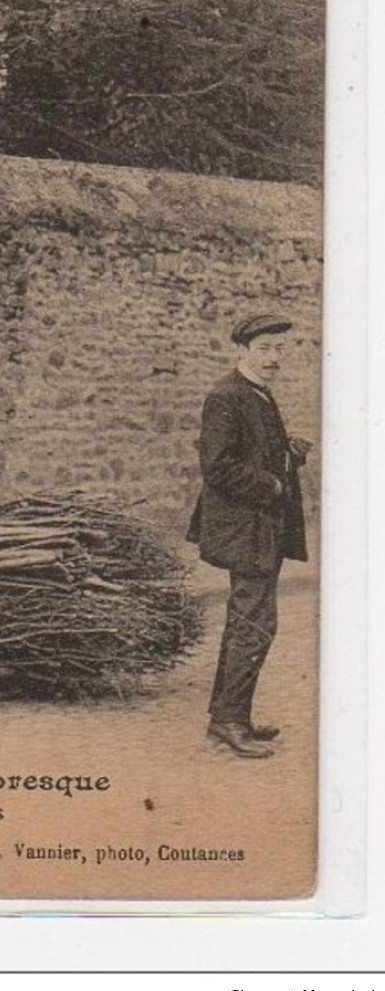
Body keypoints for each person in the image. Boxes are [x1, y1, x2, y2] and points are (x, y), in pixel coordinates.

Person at [186, 313, 310, 759]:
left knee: (249, 621)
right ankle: (229, 721)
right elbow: (217, 466)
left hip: (262, 529)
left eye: (280, 349)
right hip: (247, 530)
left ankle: (230, 716)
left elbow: (250, 452)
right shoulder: (226, 396)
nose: (275, 358)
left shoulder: (257, 393)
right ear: (242, 351)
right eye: (266, 349)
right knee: (255, 624)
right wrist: (271, 485)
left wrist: (287, 454)